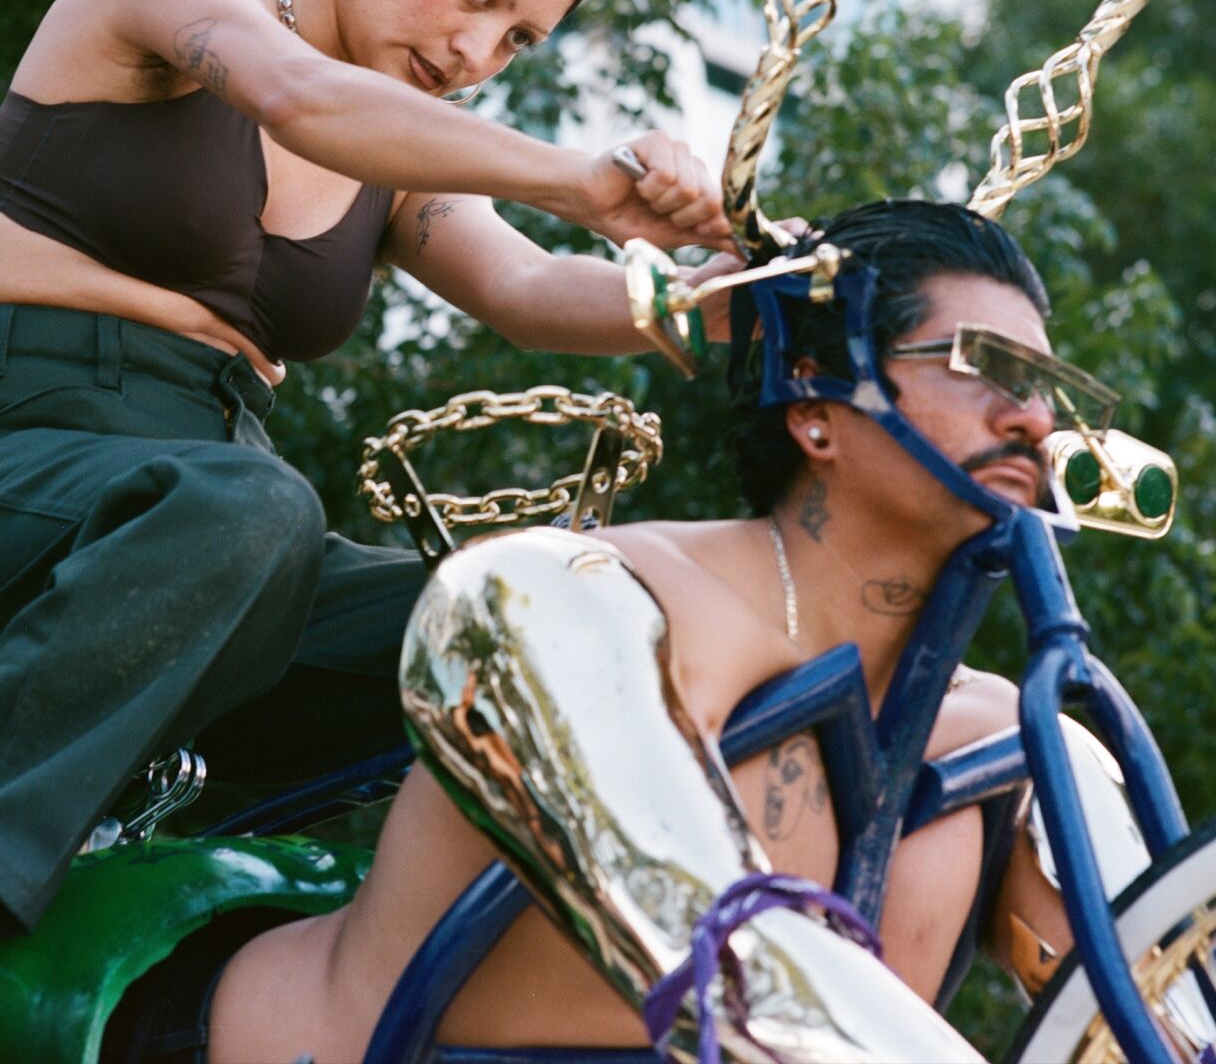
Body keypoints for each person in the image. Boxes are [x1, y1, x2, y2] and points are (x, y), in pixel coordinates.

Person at [0, 0, 741, 1064]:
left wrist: (729, 298)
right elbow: (291, 94)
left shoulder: (398, 150)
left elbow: (530, 293)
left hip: (207, 543)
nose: (480, 50)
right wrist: (584, 179)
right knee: (252, 509)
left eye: (519, 38)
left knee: (523, 629)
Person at [120, 200, 1095, 1063]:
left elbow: (1173, 969)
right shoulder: (590, 593)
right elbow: (698, 938)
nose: (1032, 419)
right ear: (815, 400)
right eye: (982, 366)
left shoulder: (1004, 730)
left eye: (1047, 386)